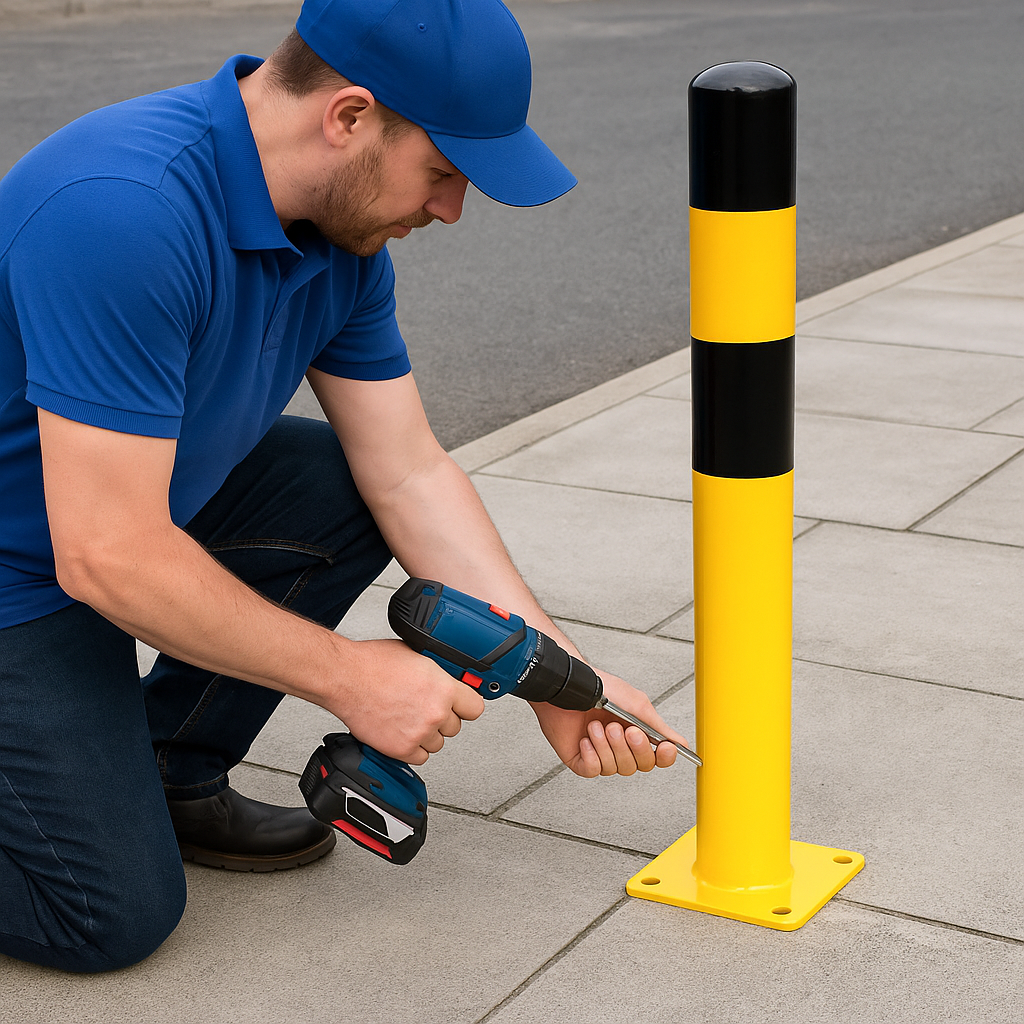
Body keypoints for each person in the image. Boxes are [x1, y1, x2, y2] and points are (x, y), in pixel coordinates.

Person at [0, 0, 687, 973]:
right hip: (30, 571)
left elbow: (405, 469)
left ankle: (167, 767)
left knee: (336, 482)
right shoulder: (123, 205)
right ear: (349, 116)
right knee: (107, 911)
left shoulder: (342, 241)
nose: (449, 209)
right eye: (445, 172)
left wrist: (555, 674)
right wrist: (349, 676)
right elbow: (104, 554)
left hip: (94, 522)